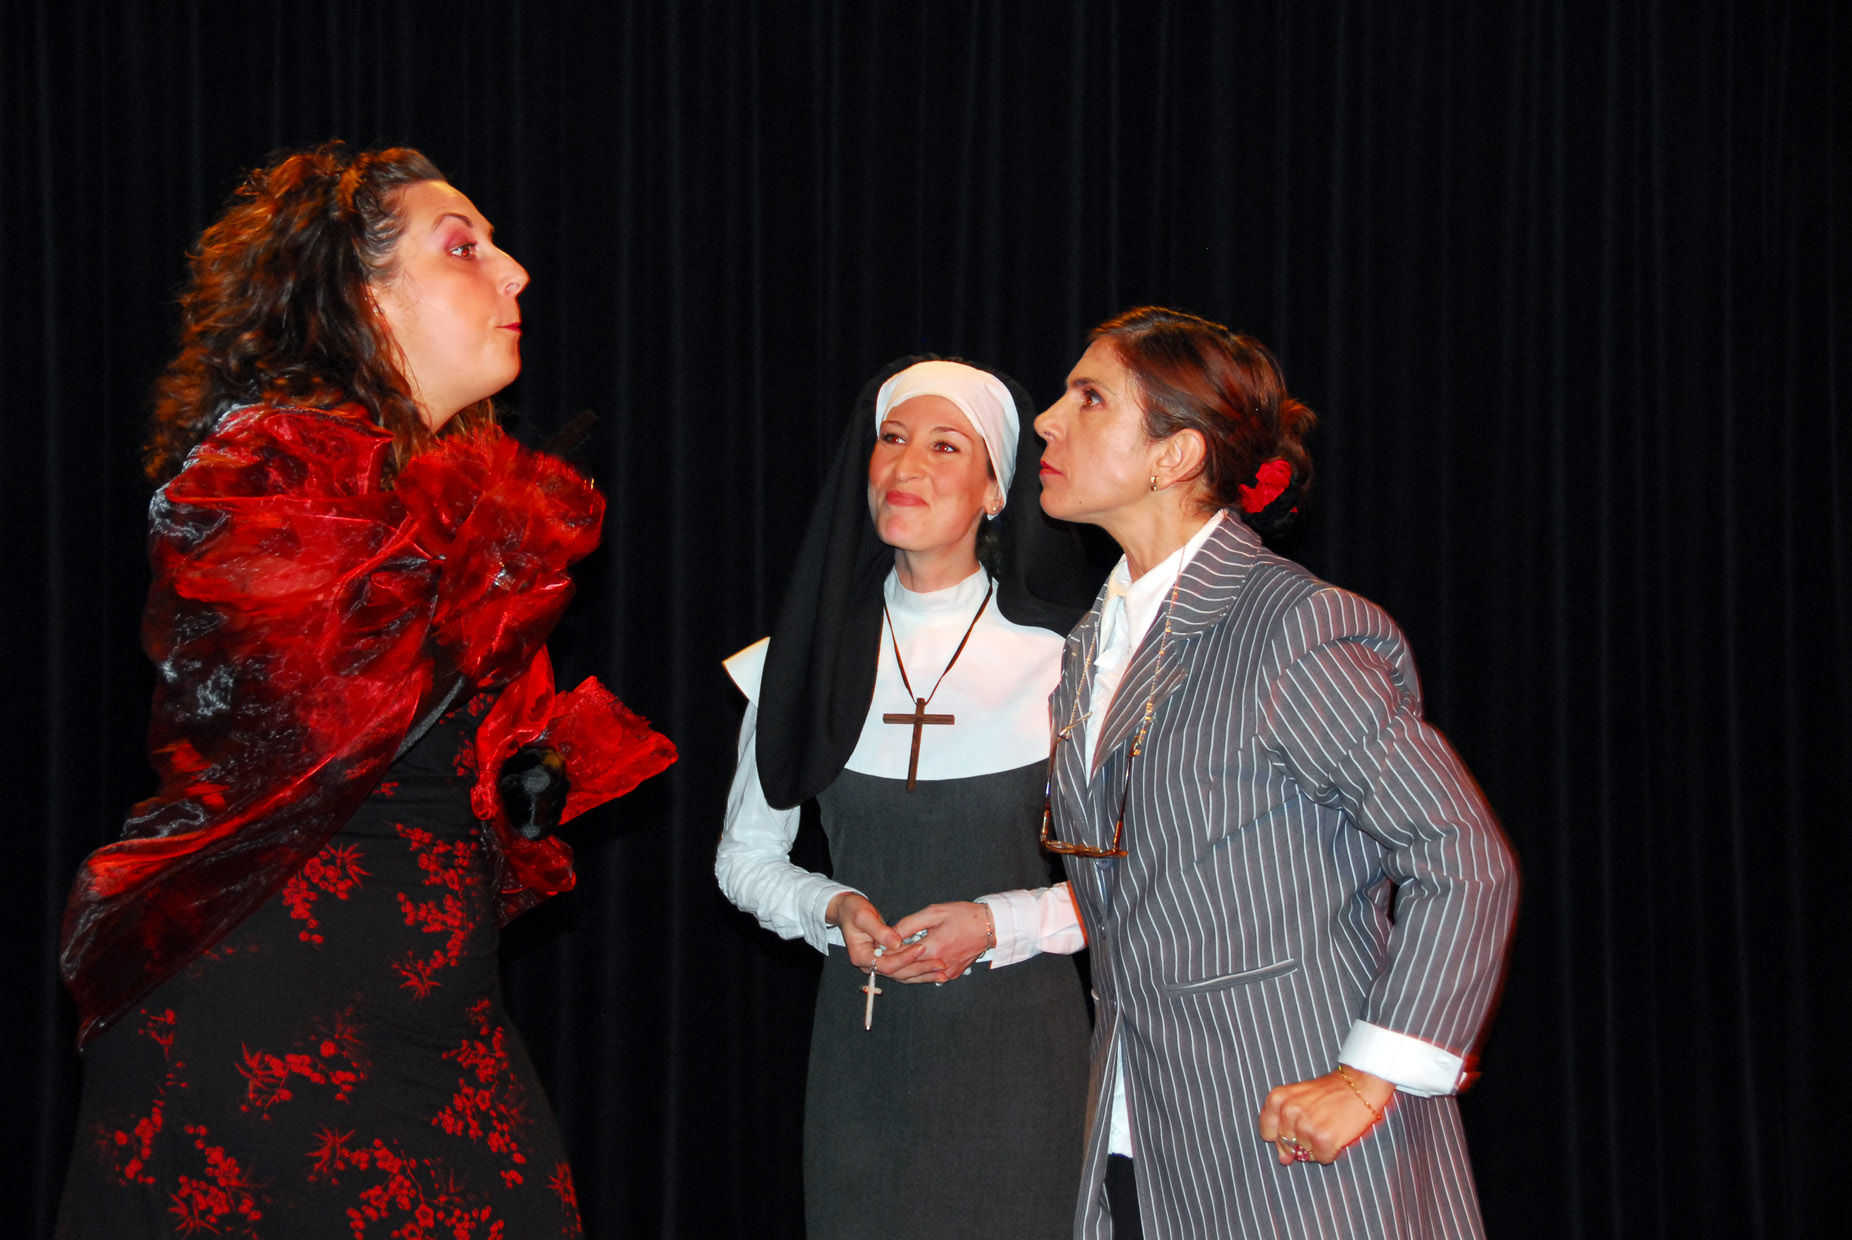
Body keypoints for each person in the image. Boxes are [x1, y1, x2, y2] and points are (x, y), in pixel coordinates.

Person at [56, 143, 675, 1239]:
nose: (515, 271)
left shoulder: (468, 503)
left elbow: (477, 772)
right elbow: (318, 708)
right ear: (360, 294)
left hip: (434, 1013)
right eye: (463, 248)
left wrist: (539, 763)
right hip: (260, 1017)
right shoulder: (258, 475)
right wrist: (491, 570)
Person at [1035, 306, 1518, 1239]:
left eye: (1089, 398)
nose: (1050, 420)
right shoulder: (1097, 642)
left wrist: (1371, 1074)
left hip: (1301, 1141)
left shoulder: (1290, 627)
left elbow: (1460, 854)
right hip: (1150, 1129)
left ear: (1176, 455)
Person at [717, 357, 1101, 1240]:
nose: (906, 465)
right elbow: (745, 858)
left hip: (1023, 1061)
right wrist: (832, 907)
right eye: (891, 439)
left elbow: (1137, 881)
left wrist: (998, 923)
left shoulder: (1070, 662)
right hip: (865, 1059)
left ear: (996, 491)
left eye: (945, 446)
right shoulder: (800, 660)